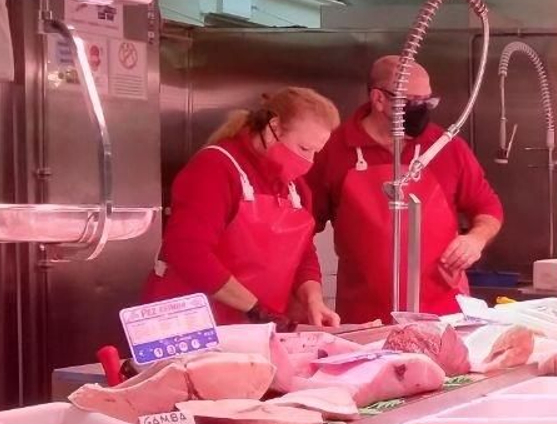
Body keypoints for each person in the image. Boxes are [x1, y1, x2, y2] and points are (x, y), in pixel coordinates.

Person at [307, 56, 504, 323]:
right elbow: (303, 227)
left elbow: (488, 208)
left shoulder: (445, 147)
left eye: (427, 101)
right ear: (378, 99)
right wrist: (309, 295)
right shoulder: (333, 150)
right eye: (412, 102)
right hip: (365, 317)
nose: (421, 109)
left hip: (444, 314)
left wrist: (475, 239)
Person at [146, 88, 340, 326]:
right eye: (303, 149)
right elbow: (187, 251)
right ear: (274, 128)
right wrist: (256, 309)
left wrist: (314, 301)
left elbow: (304, 254)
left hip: (253, 328)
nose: (308, 162)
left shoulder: (296, 188)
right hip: (191, 325)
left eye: (315, 153)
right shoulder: (215, 168)